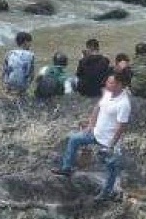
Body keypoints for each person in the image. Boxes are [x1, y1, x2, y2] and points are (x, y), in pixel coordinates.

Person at [51, 70, 133, 203]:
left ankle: (106, 193)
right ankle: (67, 168)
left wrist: (111, 145)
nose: (106, 84)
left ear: (119, 85)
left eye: (110, 82)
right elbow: (97, 108)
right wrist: (91, 125)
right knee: (74, 139)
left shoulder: (124, 104)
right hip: (96, 133)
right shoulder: (107, 93)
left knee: (111, 167)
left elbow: (121, 127)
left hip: (108, 140)